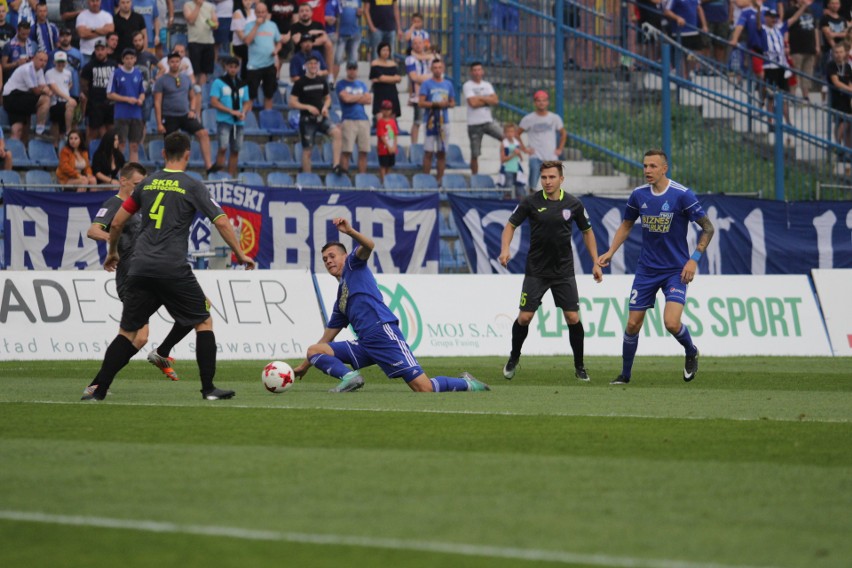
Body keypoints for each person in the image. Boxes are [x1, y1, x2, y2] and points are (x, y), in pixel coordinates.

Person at [80, 131, 257, 402]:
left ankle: (98, 389)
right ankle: (208, 388)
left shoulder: (146, 185)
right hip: (172, 265)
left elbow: (116, 223)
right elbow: (221, 221)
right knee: (204, 318)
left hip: (138, 267)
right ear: (188, 154)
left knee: (128, 333)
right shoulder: (192, 185)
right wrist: (241, 254)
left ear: (163, 154)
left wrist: (112, 252)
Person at [292, 217, 489, 393]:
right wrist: (305, 365)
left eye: (332, 256)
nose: (328, 261)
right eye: (325, 259)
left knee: (423, 388)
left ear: (344, 256)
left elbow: (369, 245)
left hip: (384, 334)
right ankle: (350, 377)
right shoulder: (341, 300)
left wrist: (350, 231)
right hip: (365, 344)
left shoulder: (353, 264)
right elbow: (327, 338)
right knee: (315, 350)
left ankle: (467, 383)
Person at [597, 149, 715, 385]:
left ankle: (691, 351)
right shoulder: (639, 195)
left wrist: (694, 259)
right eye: (645, 166)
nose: (647, 171)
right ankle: (625, 375)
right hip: (647, 270)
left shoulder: (682, 195)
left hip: (676, 270)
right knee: (632, 323)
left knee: (671, 323)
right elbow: (626, 225)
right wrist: (610, 252)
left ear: (664, 168)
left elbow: (708, 228)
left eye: (652, 166)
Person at [85, 162, 191, 388]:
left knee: (143, 336)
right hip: (130, 277)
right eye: (135, 183)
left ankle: (159, 353)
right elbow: (93, 230)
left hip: (153, 272)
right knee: (137, 336)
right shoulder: (114, 204)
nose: (139, 187)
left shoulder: (141, 205)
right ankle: (99, 384)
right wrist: (112, 242)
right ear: (123, 181)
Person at [498, 160, 602, 382]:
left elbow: (588, 232)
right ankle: (514, 357)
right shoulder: (530, 202)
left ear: (561, 179)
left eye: (552, 177)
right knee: (525, 317)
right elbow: (510, 225)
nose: (547, 181)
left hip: (563, 270)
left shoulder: (574, 204)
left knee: (573, 317)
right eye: (544, 177)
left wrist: (595, 262)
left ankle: (580, 366)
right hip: (536, 270)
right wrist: (505, 249)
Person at [154, 51, 220, 174]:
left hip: (185, 114)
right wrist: (159, 123)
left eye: (177, 61)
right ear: (168, 63)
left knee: (203, 133)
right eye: (172, 62)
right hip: (169, 116)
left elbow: (192, 96)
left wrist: (193, 110)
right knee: (171, 144)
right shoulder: (161, 80)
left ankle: (209, 166)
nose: (175, 64)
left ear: (180, 63)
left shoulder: (185, 78)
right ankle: (170, 170)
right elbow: (157, 102)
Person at [288, 53, 343, 174]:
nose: (313, 66)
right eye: (310, 64)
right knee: (308, 151)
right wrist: (307, 107)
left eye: (315, 64)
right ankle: (307, 177)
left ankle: (336, 165)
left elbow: (328, 98)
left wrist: (325, 107)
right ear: (306, 66)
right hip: (307, 119)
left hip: (321, 117)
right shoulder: (300, 82)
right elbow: (292, 102)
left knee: (337, 133)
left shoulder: (321, 80)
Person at [209, 55, 251, 176]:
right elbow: (214, 101)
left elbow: (247, 102)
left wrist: (243, 112)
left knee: (236, 149)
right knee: (222, 147)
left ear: (238, 68)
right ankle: (219, 174)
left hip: (239, 121)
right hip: (224, 119)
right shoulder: (219, 82)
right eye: (230, 67)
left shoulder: (242, 84)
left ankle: (231, 175)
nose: (233, 69)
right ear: (226, 67)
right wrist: (230, 111)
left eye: (235, 67)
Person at [518, 90, 566, 191]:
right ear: (535, 103)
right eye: (539, 100)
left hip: (551, 156)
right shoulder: (528, 118)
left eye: (544, 100)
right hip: (535, 155)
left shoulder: (554, 118)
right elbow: (517, 133)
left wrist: (560, 149)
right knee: (533, 182)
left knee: (553, 184)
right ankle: (531, 198)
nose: (541, 103)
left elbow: (563, 133)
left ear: (547, 102)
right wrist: (524, 149)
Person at [419, 57, 455, 184]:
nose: (438, 70)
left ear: (443, 68)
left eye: (440, 67)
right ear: (431, 69)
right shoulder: (426, 84)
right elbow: (421, 102)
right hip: (430, 120)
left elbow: (452, 102)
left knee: (442, 151)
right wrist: (435, 104)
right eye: (435, 68)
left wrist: (446, 104)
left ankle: (440, 179)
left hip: (443, 120)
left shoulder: (448, 84)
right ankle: (425, 179)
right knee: (428, 151)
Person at [2, 49, 50, 143]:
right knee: (45, 100)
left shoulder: (39, 71)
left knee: (20, 128)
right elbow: (36, 91)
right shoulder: (27, 69)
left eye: (45, 61)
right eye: (41, 60)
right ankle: (40, 131)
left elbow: (43, 87)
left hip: (23, 96)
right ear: (34, 59)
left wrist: (44, 89)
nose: (43, 63)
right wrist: (44, 90)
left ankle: (21, 151)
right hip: (13, 97)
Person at [463, 61, 502, 175]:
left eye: (479, 70)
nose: (477, 72)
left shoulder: (487, 85)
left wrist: (480, 98)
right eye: (474, 70)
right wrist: (486, 99)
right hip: (474, 123)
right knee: (475, 153)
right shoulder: (468, 85)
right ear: (471, 72)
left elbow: (495, 100)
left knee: (506, 139)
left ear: (483, 71)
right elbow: (473, 103)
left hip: (488, 121)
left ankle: (505, 167)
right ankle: (475, 176)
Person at [107, 48, 145, 162]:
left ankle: (134, 172)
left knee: (134, 145)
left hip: (136, 113)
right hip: (122, 113)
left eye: (131, 58)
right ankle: (117, 172)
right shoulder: (116, 73)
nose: (129, 61)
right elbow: (109, 94)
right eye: (127, 58)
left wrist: (141, 99)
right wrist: (126, 99)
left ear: (135, 59)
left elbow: (142, 91)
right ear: (123, 60)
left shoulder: (138, 73)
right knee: (121, 144)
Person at [244, 2, 282, 111]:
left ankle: (268, 115)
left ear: (267, 13)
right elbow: (247, 41)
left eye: (263, 12)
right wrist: (256, 25)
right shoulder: (249, 25)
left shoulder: (272, 25)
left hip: (269, 64)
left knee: (269, 94)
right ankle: (246, 118)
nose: (261, 14)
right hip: (254, 66)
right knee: (250, 95)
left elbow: (279, 42)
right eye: (258, 12)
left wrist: (276, 50)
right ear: (255, 13)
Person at [336, 61, 371, 174]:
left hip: (363, 119)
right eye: (350, 68)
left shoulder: (362, 84)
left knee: (363, 151)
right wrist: (361, 97)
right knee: (346, 151)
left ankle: (362, 178)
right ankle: (344, 177)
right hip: (348, 119)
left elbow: (369, 100)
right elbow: (345, 99)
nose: (352, 71)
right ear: (346, 70)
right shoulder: (341, 84)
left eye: (354, 68)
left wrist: (352, 97)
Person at [80, 36, 117, 142]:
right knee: (93, 132)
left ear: (107, 50)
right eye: (97, 50)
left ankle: (109, 154)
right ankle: (90, 155)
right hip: (95, 104)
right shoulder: (89, 66)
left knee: (111, 131)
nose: (100, 52)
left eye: (102, 49)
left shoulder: (113, 65)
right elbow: (84, 85)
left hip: (111, 103)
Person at [787, 0, 821, 102]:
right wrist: (787, 45)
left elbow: (815, 29)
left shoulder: (810, 11)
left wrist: (817, 45)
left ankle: (805, 95)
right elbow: (786, 27)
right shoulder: (790, 11)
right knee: (795, 73)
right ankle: (792, 95)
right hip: (796, 47)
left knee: (807, 73)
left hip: (810, 48)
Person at [404, 35, 432, 144]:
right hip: (418, 95)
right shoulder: (410, 59)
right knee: (418, 121)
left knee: (432, 121)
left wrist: (425, 78)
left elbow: (438, 73)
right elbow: (414, 77)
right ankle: (414, 145)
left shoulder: (430, 57)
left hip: (432, 94)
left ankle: (429, 144)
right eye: (415, 43)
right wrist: (429, 78)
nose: (418, 45)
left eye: (420, 43)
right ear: (412, 45)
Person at [827, 43, 852, 162]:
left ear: (844, 53)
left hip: (847, 99)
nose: (839, 55)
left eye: (841, 52)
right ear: (833, 54)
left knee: (849, 125)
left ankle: (848, 150)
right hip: (837, 99)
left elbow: (850, 82)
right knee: (843, 123)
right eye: (836, 52)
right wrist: (850, 89)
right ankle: (838, 147)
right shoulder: (831, 65)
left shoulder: (847, 66)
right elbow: (836, 82)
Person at [45, 50, 77, 145]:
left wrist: (67, 94)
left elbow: (70, 83)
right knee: (55, 123)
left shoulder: (68, 73)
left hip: (65, 101)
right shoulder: (49, 73)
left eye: (62, 62)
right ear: (54, 62)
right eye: (58, 62)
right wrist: (69, 98)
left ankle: (68, 132)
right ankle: (55, 145)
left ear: (66, 62)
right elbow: (55, 89)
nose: (60, 64)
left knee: (71, 108)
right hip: (55, 102)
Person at [290, 2, 331, 73]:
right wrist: (310, 33)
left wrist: (305, 40)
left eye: (307, 11)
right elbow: (296, 40)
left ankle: (329, 76)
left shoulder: (318, 25)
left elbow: (324, 39)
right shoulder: (294, 27)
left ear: (312, 13)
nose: (304, 13)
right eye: (302, 11)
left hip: (318, 57)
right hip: (301, 58)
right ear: (298, 13)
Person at [183, 0, 216, 86]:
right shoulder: (187, 5)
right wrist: (198, 6)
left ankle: (201, 93)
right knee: (195, 70)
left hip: (208, 41)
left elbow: (215, 23)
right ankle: (195, 90)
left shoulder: (210, 6)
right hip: (194, 41)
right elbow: (191, 20)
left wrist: (213, 24)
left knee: (205, 71)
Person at [76, 0, 115, 65]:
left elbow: (110, 30)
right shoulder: (82, 16)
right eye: (92, 1)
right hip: (86, 53)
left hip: (103, 53)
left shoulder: (107, 16)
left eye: (97, 1)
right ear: (88, 2)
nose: (95, 3)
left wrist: (92, 29)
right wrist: (102, 31)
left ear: (100, 2)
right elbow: (82, 34)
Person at [369, 40, 400, 119]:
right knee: (380, 117)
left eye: (388, 50)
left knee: (392, 117)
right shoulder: (375, 63)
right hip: (380, 93)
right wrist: (392, 79)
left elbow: (398, 78)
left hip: (392, 92)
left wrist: (382, 79)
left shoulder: (393, 63)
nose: (386, 52)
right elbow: (380, 78)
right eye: (384, 50)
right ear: (379, 51)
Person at [334, 0, 361, 78]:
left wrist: (359, 13)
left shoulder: (358, 1)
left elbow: (359, 14)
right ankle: (332, 83)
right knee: (337, 59)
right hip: (341, 34)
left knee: (353, 61)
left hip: (355, 33)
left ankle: (352, 82)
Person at [231, 0, 256, 76]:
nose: (248, 2)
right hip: (240, 44)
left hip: (253, 42)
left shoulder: (254, 12)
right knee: (249, 53)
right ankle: (245, 79)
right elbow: (241, 35)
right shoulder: (237, 13)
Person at [499, 122, 523, 198]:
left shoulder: (517, 143)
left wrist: (519, 153)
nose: (510, 134)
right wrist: (513, 154)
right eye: (508, 132)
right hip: (508, 169)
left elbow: (521, 158)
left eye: (512, 131)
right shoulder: (504, 144)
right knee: (508, 190)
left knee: (519, 189)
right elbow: (503, 160)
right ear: (505, 133)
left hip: (516, 169)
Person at [376, 98, 397, 181]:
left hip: (391, 147)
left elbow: (395, 134)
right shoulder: (380, 122)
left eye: (388, 109)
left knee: (389, 165)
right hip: (383, 149)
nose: (387, 111)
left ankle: (388, 180)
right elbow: (381, 136)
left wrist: (394, 146)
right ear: (381, 110)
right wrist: (388, 146)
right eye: (385, 109)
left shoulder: (392, 122)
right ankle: (383, 181)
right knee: (383, 166)